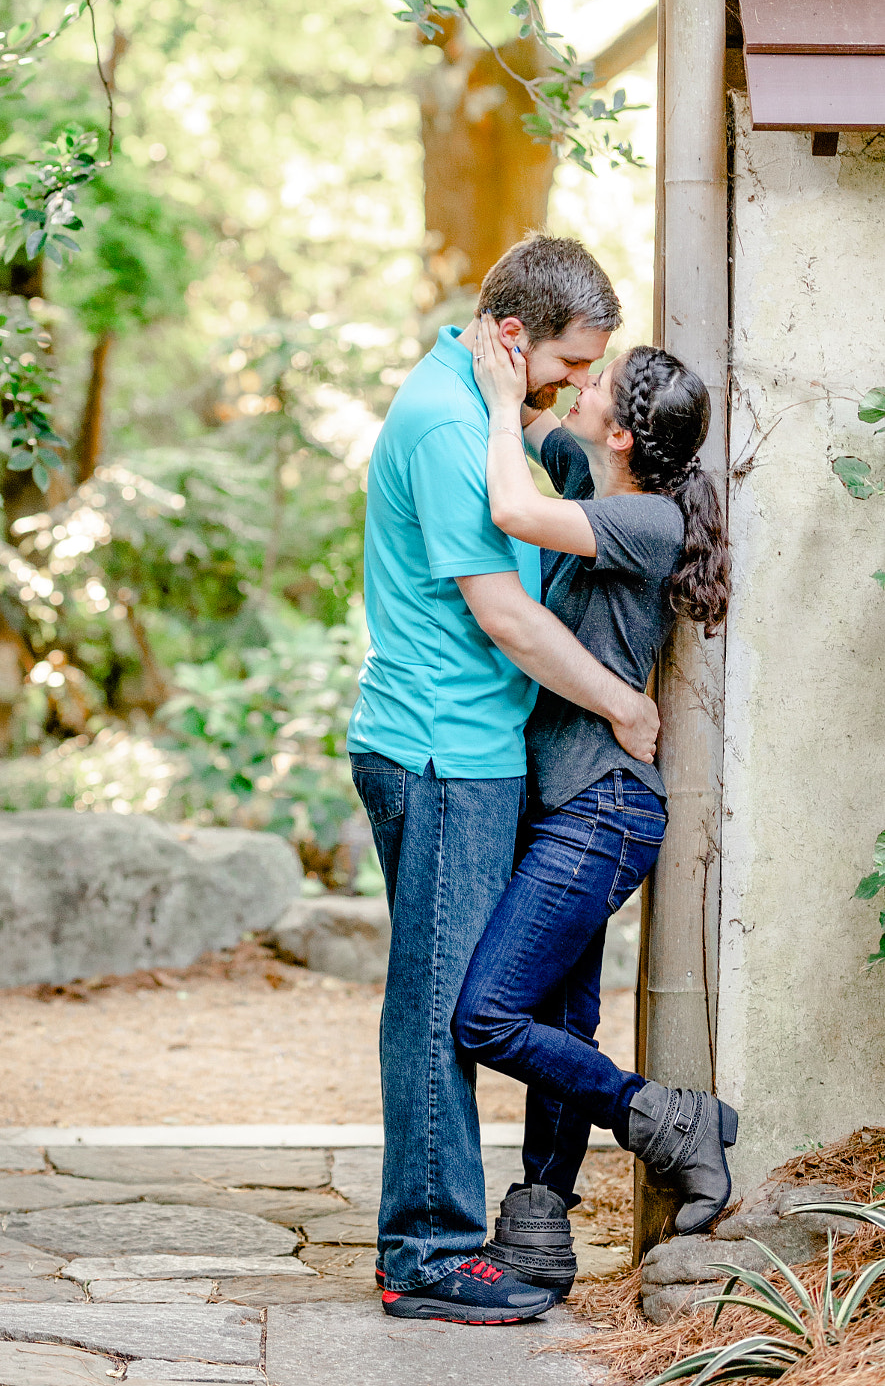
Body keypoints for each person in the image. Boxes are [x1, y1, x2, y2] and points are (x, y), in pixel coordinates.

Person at [348, 235, 660, 1327]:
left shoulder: (475, 402)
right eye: (575, 361)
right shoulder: (444, 422)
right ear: (516, 335)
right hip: (440, 753)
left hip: (472, 750)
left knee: (463, 996)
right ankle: (426, 1253)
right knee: (441, 1005)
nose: (582, 383)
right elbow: (507, 614)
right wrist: (623, 704)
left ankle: (453, 1231)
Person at [451, 321, 735, 1300]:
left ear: (623, 434)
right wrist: (507, 363)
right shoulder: (600, 478)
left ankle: (662, 1114)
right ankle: (538, 1228)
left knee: (487, 1014)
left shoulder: (646, 521)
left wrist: (495, 407)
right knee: (559, 1019)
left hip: (601, 812)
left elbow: (510, 505)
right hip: (571, 808)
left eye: (598, 383)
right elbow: (544, 430)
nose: (581, 387)